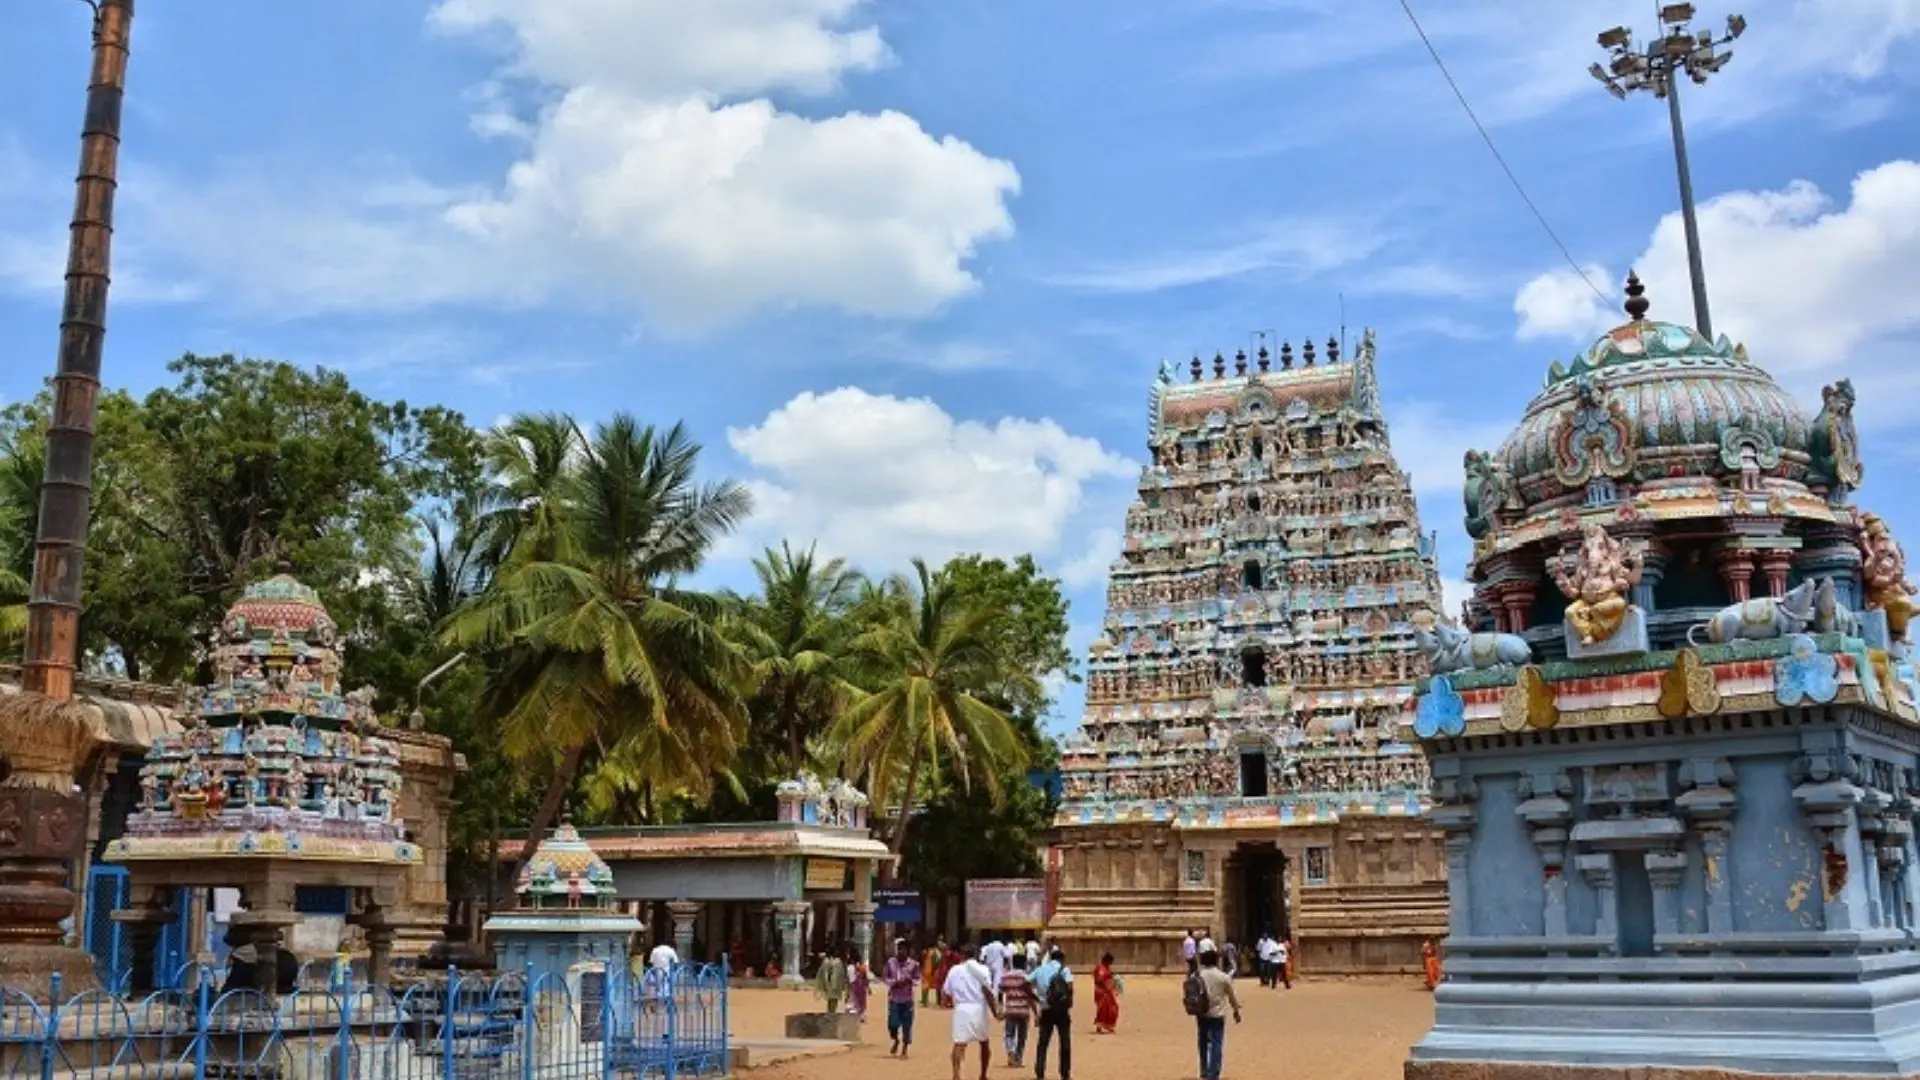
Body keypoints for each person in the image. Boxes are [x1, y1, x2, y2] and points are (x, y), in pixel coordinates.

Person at [943, 944, 996, 1080]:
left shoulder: (954, 970)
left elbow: (946, 992)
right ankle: (983, 1074)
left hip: (961, 1008)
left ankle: (956, 1074)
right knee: (984, 1043)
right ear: (977, 955)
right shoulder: (984, 969)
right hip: (979, 1008)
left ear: (962, 955)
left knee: (959, 1043)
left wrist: (948, 1002)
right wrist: (996, 1011)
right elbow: (988, 992)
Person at [1195, 948, 1242, 1080]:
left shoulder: (1198, 975)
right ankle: (1213, 1073)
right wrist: (1236, 1011)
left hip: (1202, 1013)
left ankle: (1204, 1069)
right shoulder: (1223, 977)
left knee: (1203, 1042)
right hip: (1217, 1014)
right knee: (1216, 1043)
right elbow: (1232, 997)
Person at [1030, 947, 1073, 1080]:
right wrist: (1068, 1002)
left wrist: (1036, 998)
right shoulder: (1064, 969)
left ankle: (1040, 1071)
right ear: (1061, 959)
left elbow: (1026, 982)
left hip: (1046, 1009)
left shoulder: (1040, 970)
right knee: (1065, 1042)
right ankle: (1064, 1073)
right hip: (1061, 1010)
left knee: (1043, 1042)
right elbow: (1070, 986)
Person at [883, 938, 922, 1056]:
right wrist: (894, 982)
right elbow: (885, 977)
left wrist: (909, 981)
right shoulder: (891, 962)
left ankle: (904, 1049)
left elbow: (917, 979)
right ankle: (895, 1040)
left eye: (903, 950)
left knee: (907, 1024)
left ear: (908, 951)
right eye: (899, 949)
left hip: (907, 999)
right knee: (892, 1024)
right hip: (894, 999)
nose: (901, 952)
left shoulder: (914, 964)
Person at [1000, 952, 1034, 1067]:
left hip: (1010, 1009)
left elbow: (1002, 991)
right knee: (1022, 1035)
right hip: (1023, 1009)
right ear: (1024, 963)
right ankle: (1018, 1058)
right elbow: (1030, 996)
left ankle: (1010, 1051)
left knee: (1009, 1033)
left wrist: (1000, 1008)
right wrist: (1035, 1011)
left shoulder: (1005, 976)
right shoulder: (1027, 977)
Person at [815, 946, 849, 1013]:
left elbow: (821, 974)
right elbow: (841, 975)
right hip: (836, 985)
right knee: (834, 1001)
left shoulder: (825, 961)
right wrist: (843, 986)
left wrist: (823, 985)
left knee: (829, 1001)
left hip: (828, 984)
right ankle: (832, 1015)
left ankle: (829, 1013)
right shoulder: (838, 962)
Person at [1092, 952, 1119, 1034]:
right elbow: (1100, 980)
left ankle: (1108, 1025)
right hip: (1102, 992)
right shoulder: (1101, 968)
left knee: (1112, 1008)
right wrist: (1107, 986)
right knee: (1103, 1009)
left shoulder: (1106, 968)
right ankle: (1100, 1026)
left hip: (1107, 991)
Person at [848, 947, 870, 1020]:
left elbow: (850, 979)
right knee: (862, 1002)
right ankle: (860, 1014)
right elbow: (865, 978)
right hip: (861, 986)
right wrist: (868, 987)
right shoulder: (862, 967)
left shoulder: (850, 967)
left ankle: (858, 1013)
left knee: (856, 1000)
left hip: (856, 985)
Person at [923, 937, 945, 1006]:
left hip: (926, 970)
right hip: (932, 970)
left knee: (926, 986)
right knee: (937, 986)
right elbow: (936, 961)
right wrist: (935, 969)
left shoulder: (928, 951)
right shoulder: (935, 952)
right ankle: (938, 1001)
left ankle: (924, 1001)